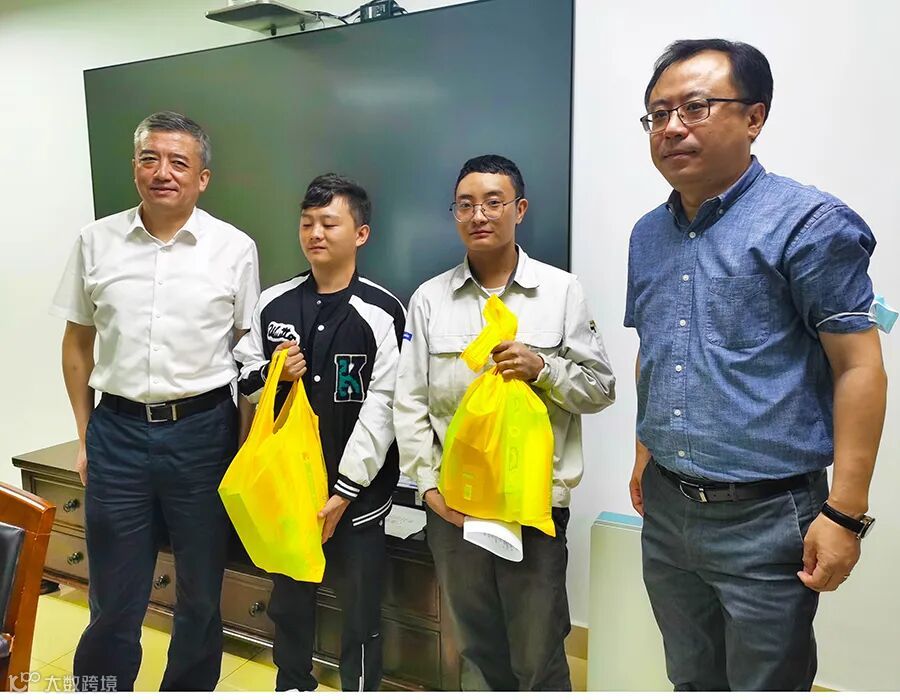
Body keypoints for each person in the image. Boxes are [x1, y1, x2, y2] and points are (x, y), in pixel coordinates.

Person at [626, 39, 888, 691]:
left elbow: (859, 366)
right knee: (690, 679)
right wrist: (642, 454)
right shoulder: (647, 234)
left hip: (768, 516)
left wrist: (845, 511)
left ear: (754, 117)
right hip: (668, 506)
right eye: (658, 114)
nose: (672, 127)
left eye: (695, 107)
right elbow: (655, 350)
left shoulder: (809, 223)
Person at [50, 111, 260, 691]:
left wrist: (242, 448)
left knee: (201, 594)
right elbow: (77, 343)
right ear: (135, 167)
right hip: (117, 433)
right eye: (150, 159)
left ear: (202, 177)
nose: (163, 172)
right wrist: (86, 434)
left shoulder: (234, 248)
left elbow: (248, 355)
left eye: (178, 162)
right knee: (113, 595)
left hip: (204, 434)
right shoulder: (96, 241)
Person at [394, 154, 616, 690]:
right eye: (465, 205)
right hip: (456, 508)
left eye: (493, 202)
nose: (479, 215)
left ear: (519, 209)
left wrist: (543, 369)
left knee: (538, 653)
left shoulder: (561, 292)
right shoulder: (430, 299)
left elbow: (601, 388)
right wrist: (428, 488)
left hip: (533, 508)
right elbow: (410, 402)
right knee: (474, 647)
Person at [234, 173, 404, 691]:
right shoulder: (274, 303)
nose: (315, 234)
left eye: (329, 223)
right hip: (288, 490)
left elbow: (385, 406)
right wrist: (274, 376)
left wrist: (344, 491)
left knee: (360, 613)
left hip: (357, 495)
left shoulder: (383, 311)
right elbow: (243, 377)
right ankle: (292, 684)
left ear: (361, 234)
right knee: (289, 604)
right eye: (307, 223)